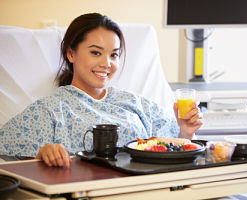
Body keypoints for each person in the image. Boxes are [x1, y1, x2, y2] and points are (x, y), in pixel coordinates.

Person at [0, 13, 203, 168]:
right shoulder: (50, 109)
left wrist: (185, 131)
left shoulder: (136, 104)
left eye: (114, 55)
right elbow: (14, 154)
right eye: (96, 52)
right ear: (71, 53)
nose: (107, 64)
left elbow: (174, 148)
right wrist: (42, 155)